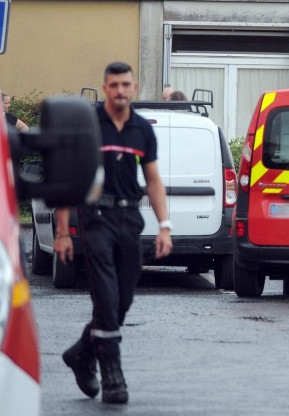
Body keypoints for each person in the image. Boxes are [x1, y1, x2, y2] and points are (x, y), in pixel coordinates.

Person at [54, 62, 173, 404]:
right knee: (105, 296)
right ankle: (112, 374)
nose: (120, 91)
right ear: (105, 88)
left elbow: (152, 181)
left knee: (122, 299)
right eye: (113, 85)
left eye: (125, 85)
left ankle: (81, 351)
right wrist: (62, 232)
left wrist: (165, 227)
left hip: (129, 220)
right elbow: (69, 178)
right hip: (96, 219)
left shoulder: (141, 130)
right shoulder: (89, 125)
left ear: (133, 87)